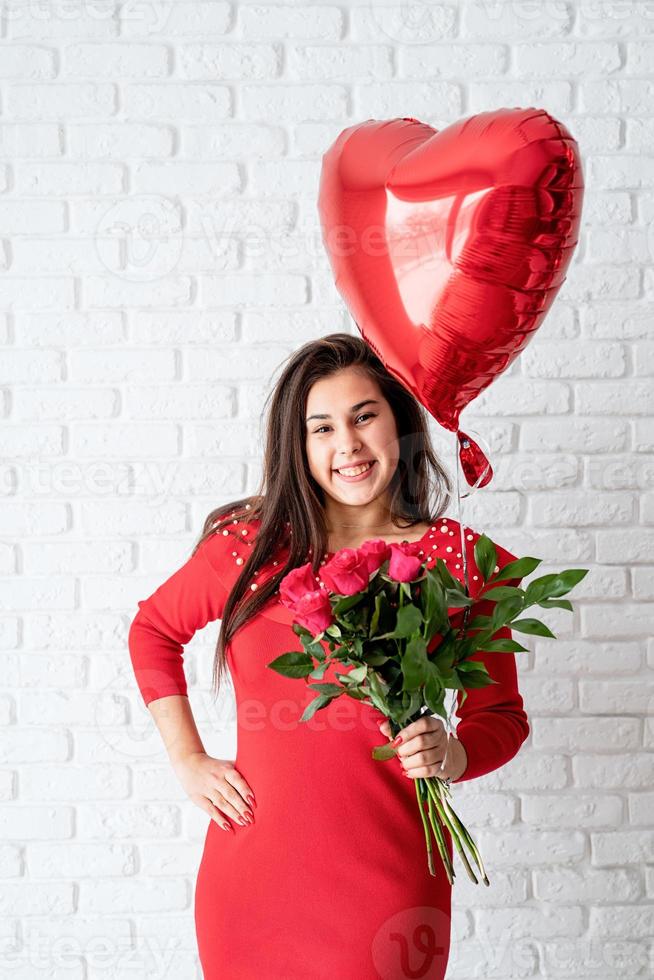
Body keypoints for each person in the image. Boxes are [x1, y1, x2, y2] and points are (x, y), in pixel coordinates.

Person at [128, 333, 530, 979]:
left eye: (364, 415)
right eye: (322, 427)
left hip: (393, 877)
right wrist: (188, 758)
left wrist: (452, 752)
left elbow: (502, 716)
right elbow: (152, 630)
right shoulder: (250, 547)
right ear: (300, 444)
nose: (347, 443)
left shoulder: (463, 562)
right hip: (253, 875)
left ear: (398, 422)